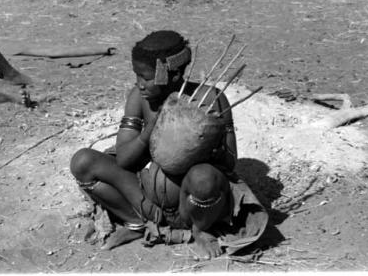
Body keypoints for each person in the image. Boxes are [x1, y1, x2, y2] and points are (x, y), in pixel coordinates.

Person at [70, 30, 267, 259]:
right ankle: (136, 223)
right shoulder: (139, 98)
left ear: (172, 76)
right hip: (143, 197)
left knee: (204, 178)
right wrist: (151, 128)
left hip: (190, 203)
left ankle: (199, 229)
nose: (139, 84)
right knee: (83, 162)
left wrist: (206, 143)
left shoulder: (209, 98)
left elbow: (230, 163)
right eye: (137, 75)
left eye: (146, 77)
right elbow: (124, 160)